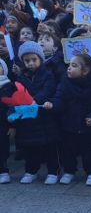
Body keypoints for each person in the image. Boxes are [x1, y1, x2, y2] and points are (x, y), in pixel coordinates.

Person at [44, 54, 91, 186]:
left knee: (89, 150)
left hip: (87, 125)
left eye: (74, 65)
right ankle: (69, 171)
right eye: (69, 65)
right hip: (68, 123)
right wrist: (52, 104)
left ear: (85, 71)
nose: (69, 68)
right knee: (67, 150)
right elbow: (59, 98)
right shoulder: (64, 82)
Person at [10, 41, 59, 185]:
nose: (30, 63)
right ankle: (31, 171)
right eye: (27, 60)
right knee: (30, 147)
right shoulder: (21, 77)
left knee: (50, 146)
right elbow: (17, 92)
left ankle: (53, 171)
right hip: (29, 118)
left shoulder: (48, 74)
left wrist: (34, 100)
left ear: (40, 59)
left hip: (44, 115)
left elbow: (48, 89)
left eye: (34, 60)